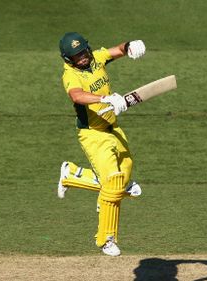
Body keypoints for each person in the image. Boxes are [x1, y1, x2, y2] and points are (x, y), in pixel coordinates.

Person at [57, 32, 146, 256]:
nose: (83, 58)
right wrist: (105, 99)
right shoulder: (70, 75)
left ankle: (71, 174)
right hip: (93, 134)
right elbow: (77, 96)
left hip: (113, 127)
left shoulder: (96, 57)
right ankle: (105, 239)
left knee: (123, 179)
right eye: (77, 56)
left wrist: (130, 45)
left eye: (83, 52)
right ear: (69, 60)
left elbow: (117, 50)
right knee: (114, 182)